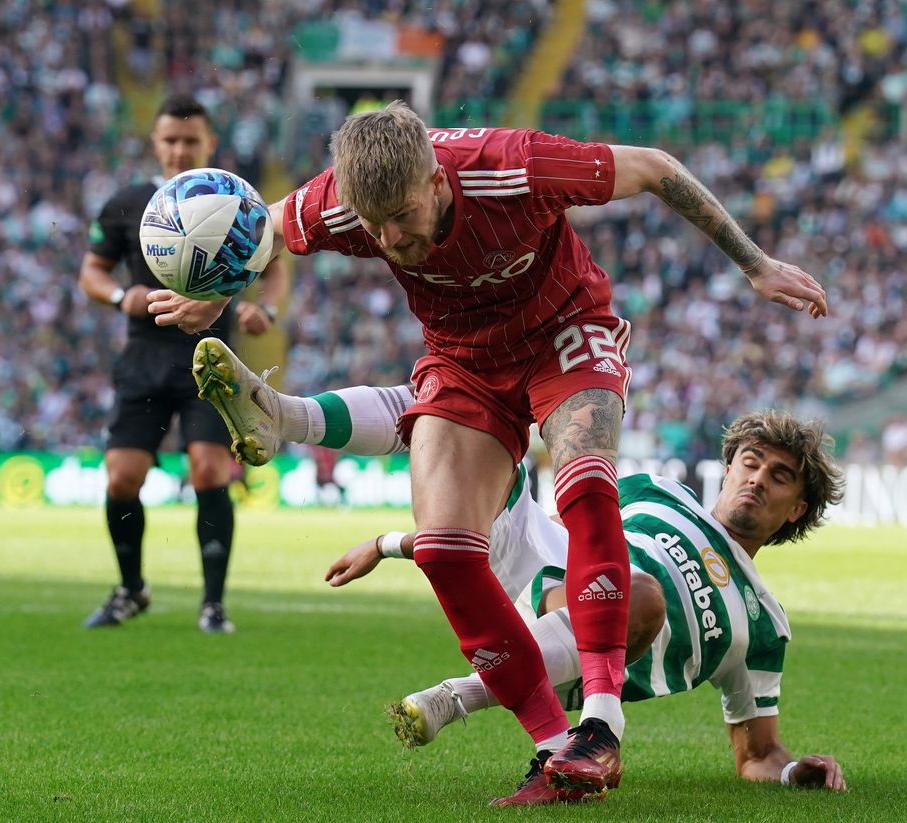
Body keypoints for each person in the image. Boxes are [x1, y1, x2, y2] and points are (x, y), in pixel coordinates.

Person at [150, 101, 828, 799]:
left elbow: (657, 168)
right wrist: (219, 286)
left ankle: (600, 722)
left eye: (404, 218)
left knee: (586, 482)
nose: (389, 238)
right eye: (372, 223)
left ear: (440, 182)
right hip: (466, 359)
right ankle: (556, 745)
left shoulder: (514, 169)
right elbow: (262, 228)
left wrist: (755, 263)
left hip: (566, 332)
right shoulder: (340, 207)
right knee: (447, 549)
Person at [325, 409, 848, 804]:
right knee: (479, 430)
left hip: (593, 664)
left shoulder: (764, 626)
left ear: (797, 509)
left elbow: (756, 754)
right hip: (549, 577)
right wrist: (386, 544)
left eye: (779, 476)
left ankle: (456, 697)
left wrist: (791, 770)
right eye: (750, 464)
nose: (757, 479)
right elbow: (562, 528)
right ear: (728, 466)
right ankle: (283, 412)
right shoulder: (658, 492)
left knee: (639, 595)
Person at [78, 94, 286, 633]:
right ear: (156, 143)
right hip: (143, 356)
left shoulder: (235, 202)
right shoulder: (125, 203)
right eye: (170, 140)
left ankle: (213, 603)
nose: (179, 150)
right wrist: (116, 296)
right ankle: (130, 589)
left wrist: (268, 308)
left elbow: (276, 261)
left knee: (209, 470)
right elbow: (91, 273)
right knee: (122, 479)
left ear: (210, 144)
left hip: (210, 359)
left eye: (190, 141)